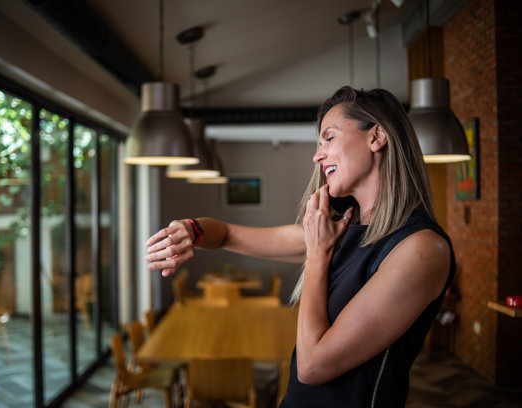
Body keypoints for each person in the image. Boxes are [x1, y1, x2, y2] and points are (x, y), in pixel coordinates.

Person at [145, 86, 455, 407]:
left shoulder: (421, 249)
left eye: (329, 138)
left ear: (376, 137)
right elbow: (224, 235)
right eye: (319, 143)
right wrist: (190, 230)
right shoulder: (342, 227)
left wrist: (317, 256)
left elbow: (313, 366)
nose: (317, 155)